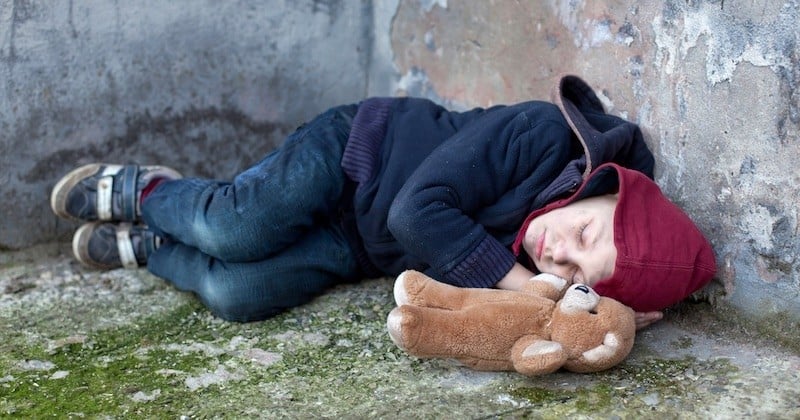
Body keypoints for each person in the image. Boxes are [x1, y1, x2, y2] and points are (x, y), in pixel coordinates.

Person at [49, 75, 716, 328]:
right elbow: (417, 212)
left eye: (573, 276)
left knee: (236, 296)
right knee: (236, 228)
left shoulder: (553, 271)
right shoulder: (543, 136)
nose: (559, 254)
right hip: (356, 158)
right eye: (586, 236)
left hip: (362, 247)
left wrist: (605, 317)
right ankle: (151, 190)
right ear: (607, 192)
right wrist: (528, 288)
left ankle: (154, 249)